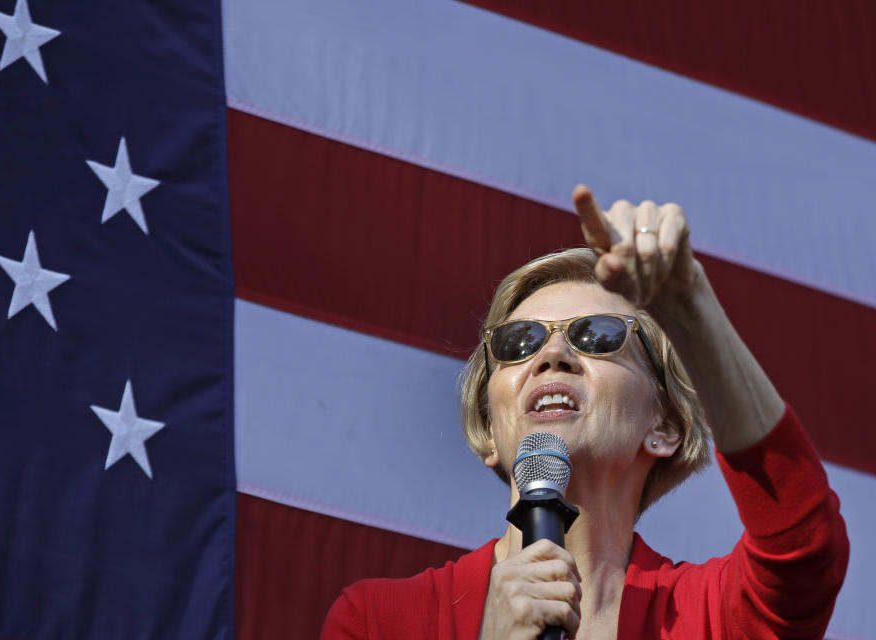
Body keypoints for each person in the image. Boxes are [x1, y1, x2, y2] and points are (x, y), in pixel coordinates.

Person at [320, 185, 849, 639]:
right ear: (487, 430)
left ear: (664, 426)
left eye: (596, 336)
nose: (551, 355)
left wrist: (691, 308)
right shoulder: (378, 621)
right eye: (518, 341)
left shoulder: (706, 616)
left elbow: (804, 545)